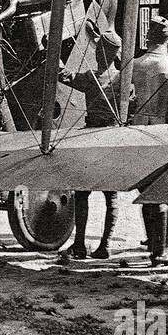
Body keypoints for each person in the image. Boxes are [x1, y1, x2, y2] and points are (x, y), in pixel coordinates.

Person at [59, 24, 128, 261]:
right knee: (111, 198)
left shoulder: (91, 78)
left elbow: (65, 76)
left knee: (81, 195)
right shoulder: (123, 80)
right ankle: (105, 245)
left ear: (102, 53)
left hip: (91, 139)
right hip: (112, 139)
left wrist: (52, 56)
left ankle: (79, 244)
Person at [130, 16, 168, 266]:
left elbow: (111, 87)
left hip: (138, 130)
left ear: (147, 36)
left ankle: (155, 241)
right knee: (161, 191)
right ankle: (160, 248)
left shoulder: (136, 65)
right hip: (164, 131)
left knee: (145, 189)